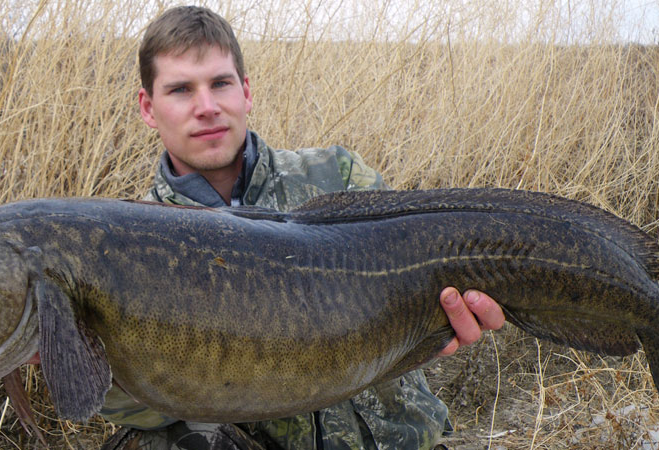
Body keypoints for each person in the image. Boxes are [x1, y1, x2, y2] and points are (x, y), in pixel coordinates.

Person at [99, 6, 505, 450]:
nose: (207, 107)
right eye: (180, 90)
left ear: (246, 92)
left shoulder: (339, 176)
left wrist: (443, 325)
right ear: (148, 108)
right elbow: (136, 409)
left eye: (220, 83)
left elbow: (430, 289)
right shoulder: (122, 249)